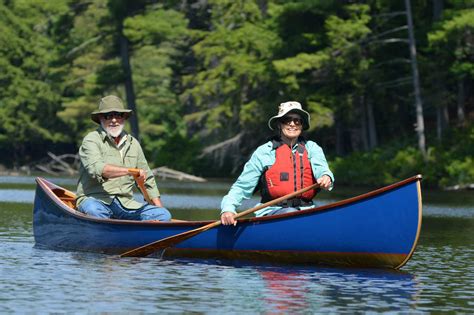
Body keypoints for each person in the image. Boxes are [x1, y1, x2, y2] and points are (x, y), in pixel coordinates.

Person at [220, 101, 334, 225]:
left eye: (297, 121)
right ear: (280, 124)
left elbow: (322, 170)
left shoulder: (312, 148)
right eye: (287, 120)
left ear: (302, 125)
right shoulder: (264, 152)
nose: (292, 124)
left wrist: (326, 177)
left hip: (306, 211)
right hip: (272, 212)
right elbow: (242, 187)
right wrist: (228, 209)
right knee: (291, 213)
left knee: (326, 217)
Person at [75, 95, 171, 221]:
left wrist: (160, 209)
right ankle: (107, 234)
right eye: (108, 116)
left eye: (118, 115)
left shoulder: (133, 144)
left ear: (124, 117)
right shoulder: (91, 140)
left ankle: (142, 235)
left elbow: (148, 180)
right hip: (96, 200)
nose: (114, 120)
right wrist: (130, 171)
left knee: (163, 215)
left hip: (126, 205)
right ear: (100, 118)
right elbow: (98, 169)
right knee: (95, 211)